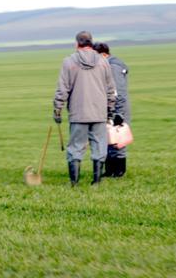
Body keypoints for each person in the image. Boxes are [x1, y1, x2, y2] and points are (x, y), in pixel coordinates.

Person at [54, 32, 116, 186]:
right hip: (99, 112)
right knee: (99, 145)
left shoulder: (68, 62)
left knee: (75, 147)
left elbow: (63, 89)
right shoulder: (103, 61)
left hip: (78, 113)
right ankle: (96, 181)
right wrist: (110, 109)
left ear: (77, 43)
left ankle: (74, 183)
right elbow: (110, 88)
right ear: (91, 43)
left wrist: (58, 109)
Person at [94, 42, 131, 177]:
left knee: (118, 139)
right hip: (110, 108)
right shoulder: (107, 65)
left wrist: (118, 113)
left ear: (103, 54)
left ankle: (119, 171)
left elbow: (119, 92)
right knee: (109, 139)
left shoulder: (113, 67)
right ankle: (110, 171)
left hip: (118, 108)